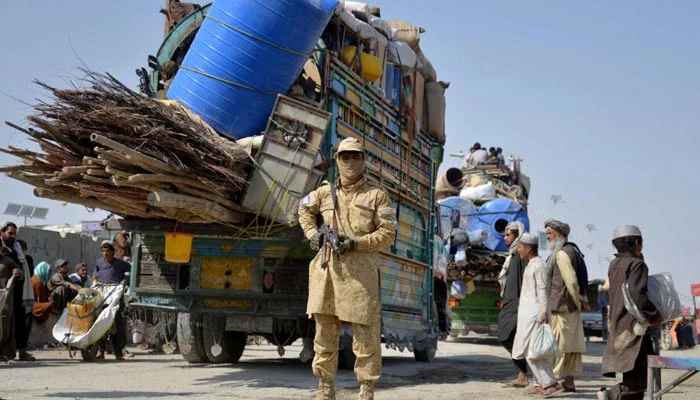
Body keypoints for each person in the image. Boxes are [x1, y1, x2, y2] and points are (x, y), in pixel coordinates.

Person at [298, 137, 397, 400]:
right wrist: (312, 234)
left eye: (355, 156)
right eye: (345, 157)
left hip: (360, 276)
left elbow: (388, 234)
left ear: (363, 160)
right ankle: (325, 387)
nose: (350, 162)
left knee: (366, 337)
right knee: (324, 335)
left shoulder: (377, 194)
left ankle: (366, 388)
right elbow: (303, 209)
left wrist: (356, 243)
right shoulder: (324, 191)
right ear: (337, 161)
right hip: (327, 273)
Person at [599, 225, 661, 400]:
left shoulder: (614, 264)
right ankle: (610, 395)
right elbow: (637, 294)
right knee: (638, 380)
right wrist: (654, 315)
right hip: (635, 329)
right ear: (637, 242)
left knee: (631, 374)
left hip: (619, 326)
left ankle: (612, 394)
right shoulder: (637, 264)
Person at [512, 233, 562, 398]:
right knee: (533, 350)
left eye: (520, 247)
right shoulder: (531, 264)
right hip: (529, 313)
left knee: (533, 350)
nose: (518, 250)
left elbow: (542, 290)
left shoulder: (539, 265)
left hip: (535, 314)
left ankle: (550, 384)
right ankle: (539, 384)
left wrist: (543, 311)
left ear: (527, 248)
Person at [544, 219, 587, 392]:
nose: (547, 236)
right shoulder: (571, 250)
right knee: (572, 346)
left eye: (550, 233)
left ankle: (551, 383)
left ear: (560, 235)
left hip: (563, 308)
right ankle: (569, 381)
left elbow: (571, 282)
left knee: (558, 346)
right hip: (570, 307)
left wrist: (579, 301)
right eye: (546, 233)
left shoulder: (561, 254)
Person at [496, 221, 529, 388]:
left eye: (508, 234)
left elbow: (522, 281)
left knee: (506, 335)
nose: (505, 237)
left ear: (517, 236)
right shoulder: (513, 255)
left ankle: (524, 371)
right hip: (510, 302)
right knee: (513, 337)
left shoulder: (519, 255)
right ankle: (522, 373)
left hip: (516, 304)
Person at [0, 221, 35, 361]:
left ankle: (22, 351)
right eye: (10, 233)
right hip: (4, 293)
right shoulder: (2, 251)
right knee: (3, 323)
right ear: (2, 233)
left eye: (14, 233)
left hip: (19, 292)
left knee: (21, 321)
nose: (13, 236)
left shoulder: (17, 249)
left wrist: (19, 273)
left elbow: (22, 269)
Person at [94, 241, 131, 361]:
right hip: (102, 297)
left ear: (112, 252)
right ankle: (101, 351)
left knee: (116, 326)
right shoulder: (99, 262)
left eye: (108, 251)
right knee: (100, 323)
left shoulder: (121, 264)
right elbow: (96, 276)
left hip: (115, 297)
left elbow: (129, 273)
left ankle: (118, 353)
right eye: (103, 251)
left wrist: (125, 280)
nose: (105, 253)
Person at [0, 252, 20, 362]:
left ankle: (3, 352)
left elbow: (19, 272)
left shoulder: (8, 261)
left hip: (4, 298)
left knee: (3, 325)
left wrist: (17, 272)